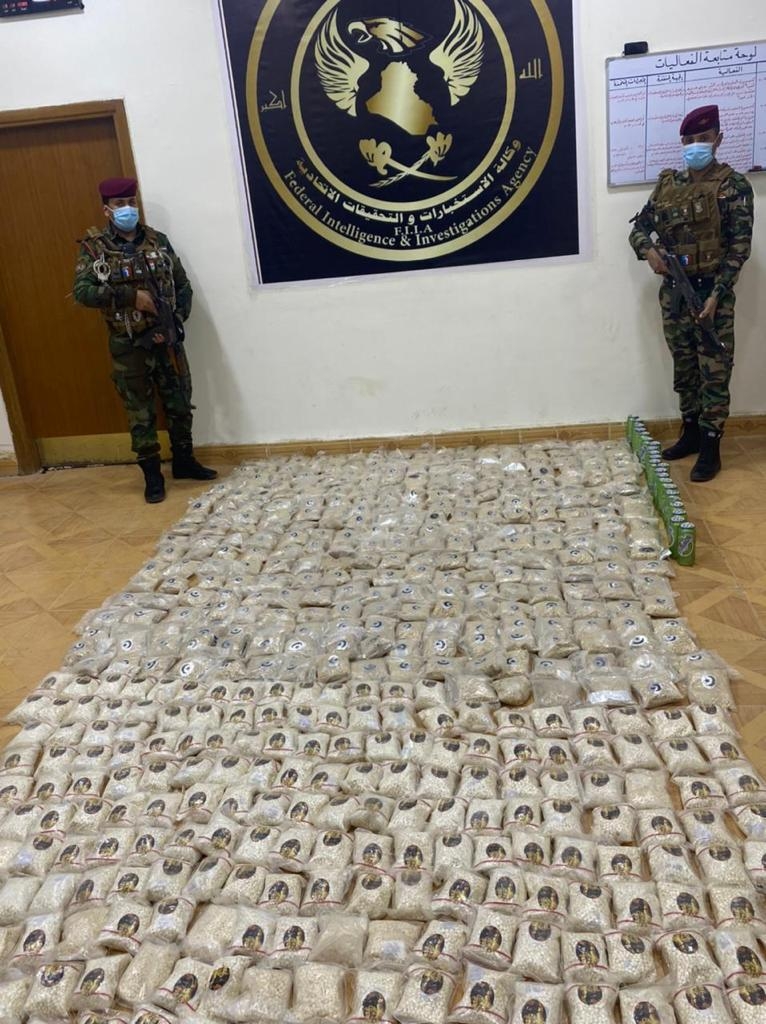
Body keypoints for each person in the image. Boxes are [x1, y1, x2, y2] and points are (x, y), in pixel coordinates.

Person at [629, 105, 754, 481]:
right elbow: (638, 228)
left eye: (703, 138)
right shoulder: (669, 186)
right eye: (689, 140)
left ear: (718, 139)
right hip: (675, 295)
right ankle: (691, 434)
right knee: (684, 368)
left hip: (713, 294)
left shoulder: (734, 186)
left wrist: (717, 295)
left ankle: (711, 447)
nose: (695, 145)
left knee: (713, 371)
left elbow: (739, 249)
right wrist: (649, 251)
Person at [73, 177, 216, 502]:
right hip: (130, 345)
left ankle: (184, 461)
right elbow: (82, 293)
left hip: (167, 338)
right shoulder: (95, 248)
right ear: (107, 210)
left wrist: (177, 317)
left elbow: (182, 284)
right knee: (140, 411)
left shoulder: (158, 241)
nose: (127, 209)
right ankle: (152, 476)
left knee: (180, 401)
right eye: (120, 204)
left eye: (131, 202)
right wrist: (130, 297)